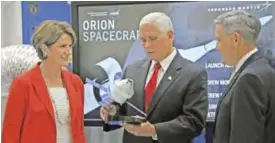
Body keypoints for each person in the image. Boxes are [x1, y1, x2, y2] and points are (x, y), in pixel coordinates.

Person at [101, 12, 209, 143]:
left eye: (152, 39)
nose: (146, 45)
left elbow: (194, 122)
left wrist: (154, 130)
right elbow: (122, 109)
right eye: (143, 40)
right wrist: (111, 112)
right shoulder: (132, 70)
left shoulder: (193, 73)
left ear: (170, 36)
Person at [1, 20, 87, 143]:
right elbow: (10, 134)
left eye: (70, 46)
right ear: (44, 48)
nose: (68, 52)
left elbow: (79, 129)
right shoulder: (23, 84)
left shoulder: (76, 83)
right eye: (62, 46)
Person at [213, 10, 275, 143]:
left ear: (235, 39)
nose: (217, 47)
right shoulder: (262, 68)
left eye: (219, 40)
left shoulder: (249, 79)